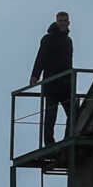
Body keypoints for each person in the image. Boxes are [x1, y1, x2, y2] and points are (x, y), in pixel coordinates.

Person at [28, 11, 74, 145]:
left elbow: (69, 62)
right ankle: (49, 142)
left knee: (73, 114)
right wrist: (34, 75)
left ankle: (67, 139)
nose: (63, 23)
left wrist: (70, 80)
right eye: (60, 20)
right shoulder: (48, 38)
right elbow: (40, 58)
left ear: (68, 23)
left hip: (66, 84)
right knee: (50, 116)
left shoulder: (68, 40)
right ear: (56, 22)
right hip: (52, 83)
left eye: (65, 20)